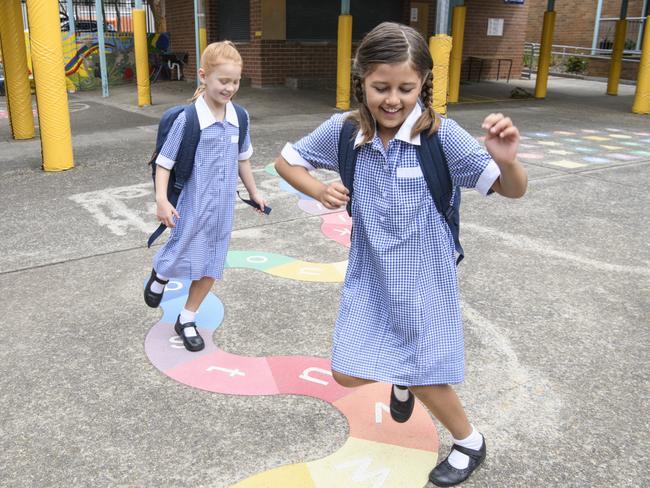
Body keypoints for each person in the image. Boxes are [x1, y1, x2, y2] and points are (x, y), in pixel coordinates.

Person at [274, 22, 527, 486]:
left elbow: (511, 190)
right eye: (380, 87)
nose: (393, 99)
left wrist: (508, 160)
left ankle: (469, 441)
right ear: (362, 82)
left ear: (423, 85)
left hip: (426, 279)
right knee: (347, 372)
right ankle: (401, 375)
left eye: (406, 88)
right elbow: (286, 160)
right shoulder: (345, 132)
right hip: (370, 275)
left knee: (425, 370)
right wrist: (318, 188)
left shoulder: (442, 139)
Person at [144, 41, 267, 352]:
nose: (230, 88)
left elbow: (243, 158)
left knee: (212, 263)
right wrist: (162, 200)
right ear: (203, 76)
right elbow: (164, 161)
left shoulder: (240, 117)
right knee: (180, 248)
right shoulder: (189, 119)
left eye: (235, 81)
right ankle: (160, 272)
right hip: (192, 203)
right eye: (223, 81)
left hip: (223, 207)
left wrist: (254, 192)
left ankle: (187, 318)